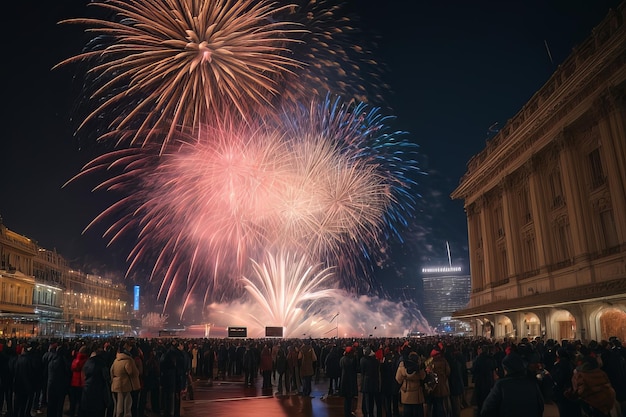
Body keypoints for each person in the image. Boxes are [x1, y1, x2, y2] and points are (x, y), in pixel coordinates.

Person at [480, 351, 544, 417]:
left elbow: (487, 410)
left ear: (507, 369)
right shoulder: (532, 383)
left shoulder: (501, 385)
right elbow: (540, 406)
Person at [79, 344, 112, 417]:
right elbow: (106, 378)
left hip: (87, 392)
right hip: (98, 394)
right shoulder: (102, 364)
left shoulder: (87, 363)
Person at [110, 340, 141, 417]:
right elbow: (134, 373)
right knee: (127, 405)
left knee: (118, 405)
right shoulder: (128, 361)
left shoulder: (116, 361)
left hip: (116, 385)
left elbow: (111, 371)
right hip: (126, 386)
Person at [551, 348, 581, 417]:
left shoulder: (560, 364)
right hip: (571, 388)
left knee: (564, 409)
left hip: (562, 389)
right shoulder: (571, 362)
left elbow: (558, 377)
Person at [395, 351, 426, 417]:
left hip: (406, 394)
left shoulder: (402, 366)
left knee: (407, 413)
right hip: (417, 394)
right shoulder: (419, 367)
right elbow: (423, 377)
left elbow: (398, 379)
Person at [360, 346, 382, 417]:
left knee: (368, 400)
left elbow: (362, 371)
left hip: (366, 382)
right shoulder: (375, 361)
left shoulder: (363, 360)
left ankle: (368, 413)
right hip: (375, 382)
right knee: (374, 400)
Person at [69, 345, 89, 417]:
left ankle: (71, 413)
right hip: (81, 383)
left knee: (73, 401)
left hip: (74, 382)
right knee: (81, 402)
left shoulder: (75, 360)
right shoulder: (86, 360)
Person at [340, 346, 359, 417]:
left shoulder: (342, 359)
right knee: (349, 398)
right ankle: (348, 413)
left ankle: (346, 412)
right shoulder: (352, 360)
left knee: (346, 398)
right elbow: (356, 368)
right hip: (350, 380)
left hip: (344, 380)